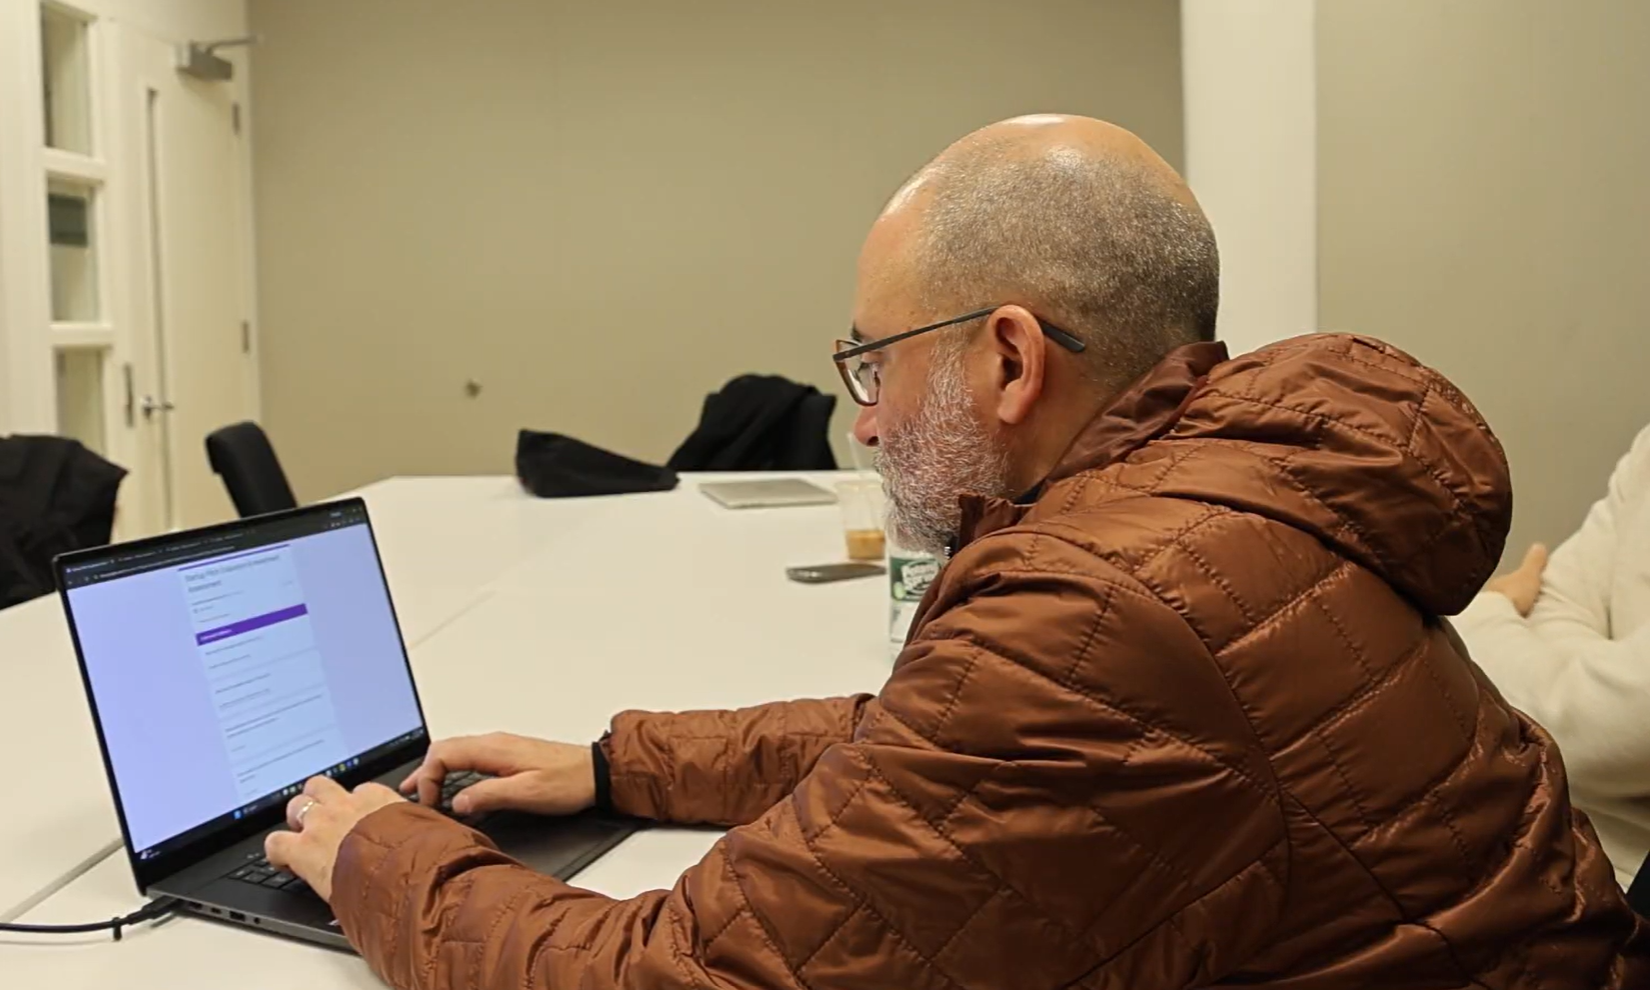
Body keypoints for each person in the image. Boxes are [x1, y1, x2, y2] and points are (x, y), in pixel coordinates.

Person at [265, 115, 1647, 987]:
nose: (864, 421)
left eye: (874, 361)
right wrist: (621, 764)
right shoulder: (1226, 495)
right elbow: (923, 748)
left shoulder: (1099, 613)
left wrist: (382, 853)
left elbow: (679, 975)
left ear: (1009, 358)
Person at [1456, 423, 1650, 889]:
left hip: (1618, 893)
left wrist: (1485, 615)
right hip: (1540, 849)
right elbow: (1556, 600)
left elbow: (1597, 734)